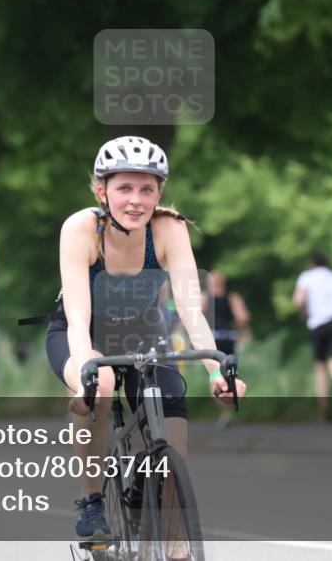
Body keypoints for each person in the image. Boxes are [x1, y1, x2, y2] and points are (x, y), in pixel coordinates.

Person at [44, 136, 247, 543]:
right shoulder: (81, 228)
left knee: (175, 439)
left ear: (159, 192)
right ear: (102, 191)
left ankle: (173, 542)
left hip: (143, 335)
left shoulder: (169, 229)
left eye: (146, 189)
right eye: (124, 188)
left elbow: (191, 310)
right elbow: (79, 316)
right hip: (81, 332)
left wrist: (215, 370)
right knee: (99, 385)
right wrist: (86, 374)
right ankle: (91, 502)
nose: (135, 200)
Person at [292, 251, 332, 419]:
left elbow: (298, 300)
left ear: (312, 264)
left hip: (318, 324)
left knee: (320, 367)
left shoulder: (307, 277)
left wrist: (304, 312)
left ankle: (324, 410)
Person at [202, 271, 251, 427]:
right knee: (229, 375)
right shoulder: (232, 298)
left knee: (214, 376)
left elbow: (196, 317)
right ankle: (228, 407)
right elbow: (242, 317)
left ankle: (225, 411)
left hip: (212, 342)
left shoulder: (205, 299)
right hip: (229, 340)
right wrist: (242, 333)